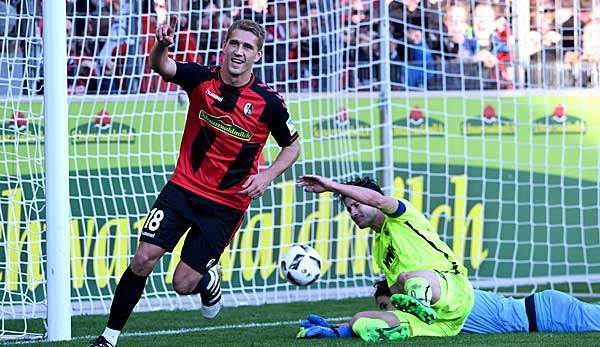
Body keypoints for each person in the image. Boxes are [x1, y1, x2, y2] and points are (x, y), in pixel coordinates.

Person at [89, 17, 300, 347]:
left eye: (248, 47)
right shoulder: (201, 79)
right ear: (224, 45)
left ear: (257, 55)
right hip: (183, 188)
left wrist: (267, 175)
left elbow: (292, 145)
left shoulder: (268, 103)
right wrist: (161, 43)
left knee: (183, 283)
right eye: (234, 43)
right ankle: (109, 338)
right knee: (143, 258)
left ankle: (207, 280)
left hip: (226, 205)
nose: (239, 51)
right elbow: (162, 66)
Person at [296, 175, 474, 341]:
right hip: (442, 324)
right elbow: (397, 292)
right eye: (349, 209)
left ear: (370, 199)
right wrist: (343, 328)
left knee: (410, 277)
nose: (353, 213)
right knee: (359, 319)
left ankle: (420, 303)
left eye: (357, 205)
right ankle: (392, 330)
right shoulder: (378, 248)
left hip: (453, 292)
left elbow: (378, 200)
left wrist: (332, 186)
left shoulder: (401, 215)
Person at [298, 279, 600, 340]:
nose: (387, 311)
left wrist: (345, 328)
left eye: (386, 303)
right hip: (543, 312)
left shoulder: (434, 302)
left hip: (547, 313)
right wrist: (340, 329)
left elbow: (369, 320)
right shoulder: (434, 316)